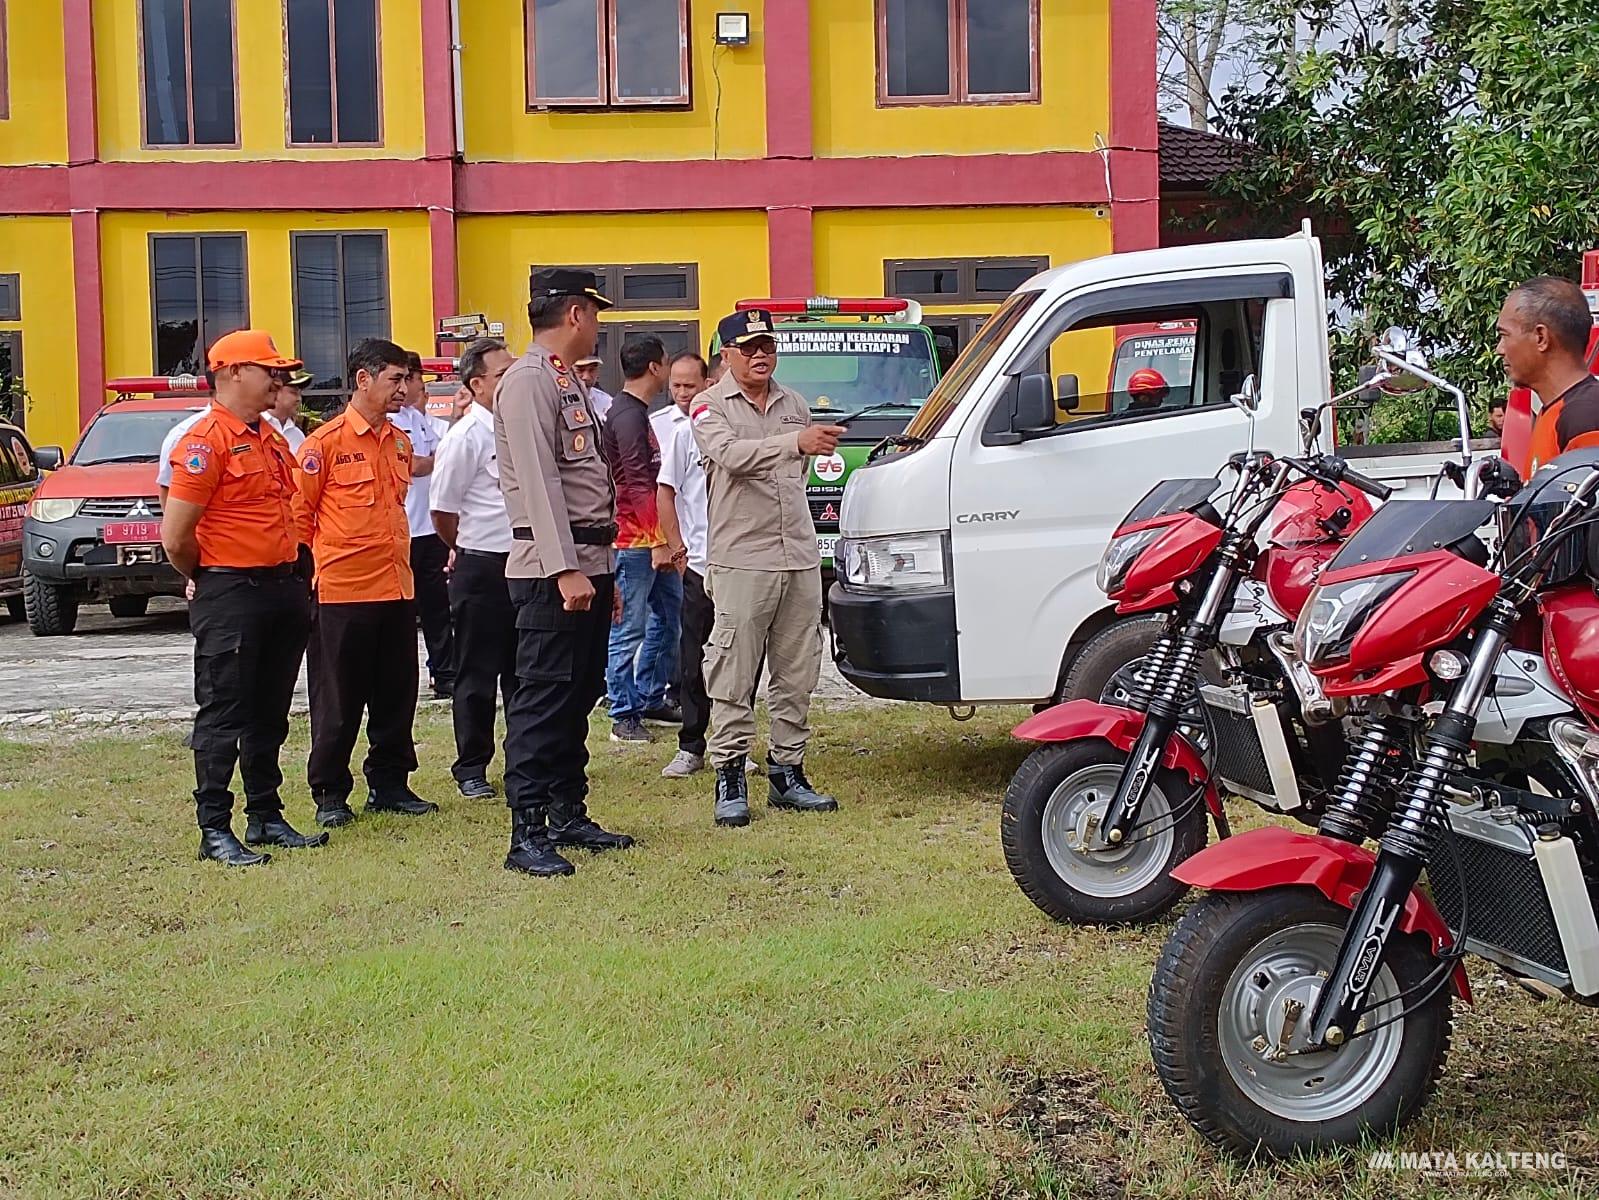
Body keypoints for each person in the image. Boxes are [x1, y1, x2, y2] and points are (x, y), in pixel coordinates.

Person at [159, 330, 322, 866]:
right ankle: (214, 826)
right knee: (224, 710)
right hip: (231, 589)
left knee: (270, 710)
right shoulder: (206, 442)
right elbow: (176, 536)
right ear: (231, 372)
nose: (278, 380)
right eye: (267, 370)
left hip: (281, 585)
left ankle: (266, 813)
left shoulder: (269, 438)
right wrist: (207, 576)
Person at [495, 267, 635, 877]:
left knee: (579, 693)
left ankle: (565, 809)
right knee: (544, 697)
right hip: (554, 567)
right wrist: (564, 569)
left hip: (588, 561)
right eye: (595, 314)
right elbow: (540, 481)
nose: (599, 326)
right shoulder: (528, 381)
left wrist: (599, 569)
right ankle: (527, 829)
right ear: (575, 313)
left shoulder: (564, 382)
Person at [692, 309, 847, 826]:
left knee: (797, 670)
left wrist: (794, 444)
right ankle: (730, 775)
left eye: (767, 346)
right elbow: (730, 456)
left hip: (798, 555)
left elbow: (798, 472)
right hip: (742, 558)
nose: (761, 355)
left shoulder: (793, 403)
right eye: (749, 347)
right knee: (733, 671)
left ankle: (788, 771)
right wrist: (791, 443)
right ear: (727, 354)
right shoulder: (708, 405)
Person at [297, 338, 436, 827]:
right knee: (337, 699)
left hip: (396, 587)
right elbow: (300, 519)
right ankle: (330, 791)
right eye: (395, 379)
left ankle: (391, 783)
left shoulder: (400, 442)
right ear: (363, 379)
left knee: (397, 693)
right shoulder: (324, 445)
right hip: (342, 591)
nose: (404, 389)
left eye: (406, 379)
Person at [430, 337, 517, 800]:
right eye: (502, 375)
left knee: (524, 672)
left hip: (526, 565)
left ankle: (524, 758)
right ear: (477, 384)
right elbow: (442, 511)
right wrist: (463, 547)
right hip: (482, 566)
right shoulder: (467, 436)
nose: (511, 381)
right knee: (478, 673)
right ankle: (471, 766)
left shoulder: (521, 427)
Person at [601, 335, 682, 743]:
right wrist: (657, 541)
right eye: (666, 363)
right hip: (635, 542)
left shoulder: (636, 411)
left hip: (653, 537)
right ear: (655, 367)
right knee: (628, 628)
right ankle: (623, 711)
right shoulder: (627, 416)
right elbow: (635, 484)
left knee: (669, 618)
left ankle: (650, 693)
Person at [658, 351, 712, 779]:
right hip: (699, 563)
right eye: (675, 385)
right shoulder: (681, 434)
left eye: (689, 385)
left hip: (741, 561)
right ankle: (691, 744)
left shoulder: (732, 428)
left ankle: (736, 739)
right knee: (692, 656)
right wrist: (677, 550)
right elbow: (666, 494)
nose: (681, 393)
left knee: (738, 659)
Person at [393, 353, 455, 700]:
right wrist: (435, 462)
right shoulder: (388, 422)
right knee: (402, 612)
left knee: (436, 607)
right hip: (400, 529)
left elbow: (431, 459)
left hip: (427, 528)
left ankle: (444, 672)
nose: (413, 387)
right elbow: (413, 466)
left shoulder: (418, 420)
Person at [156, 369, 311, 505]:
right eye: (268, 373)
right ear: (236, 375)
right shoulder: (192, 432)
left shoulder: (270, 432)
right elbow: (175, 520)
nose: (274, 384)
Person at [1498, 276, 1598, 469]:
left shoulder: (1584, 418)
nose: (1500, 349)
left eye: (1504, 336)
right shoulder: (1553, 411)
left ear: (1541, 337)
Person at [574, 354, 614, 422]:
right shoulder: (557, 400)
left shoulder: (606, 401)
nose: (587, 377)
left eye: (592, 370)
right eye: (580, 370)